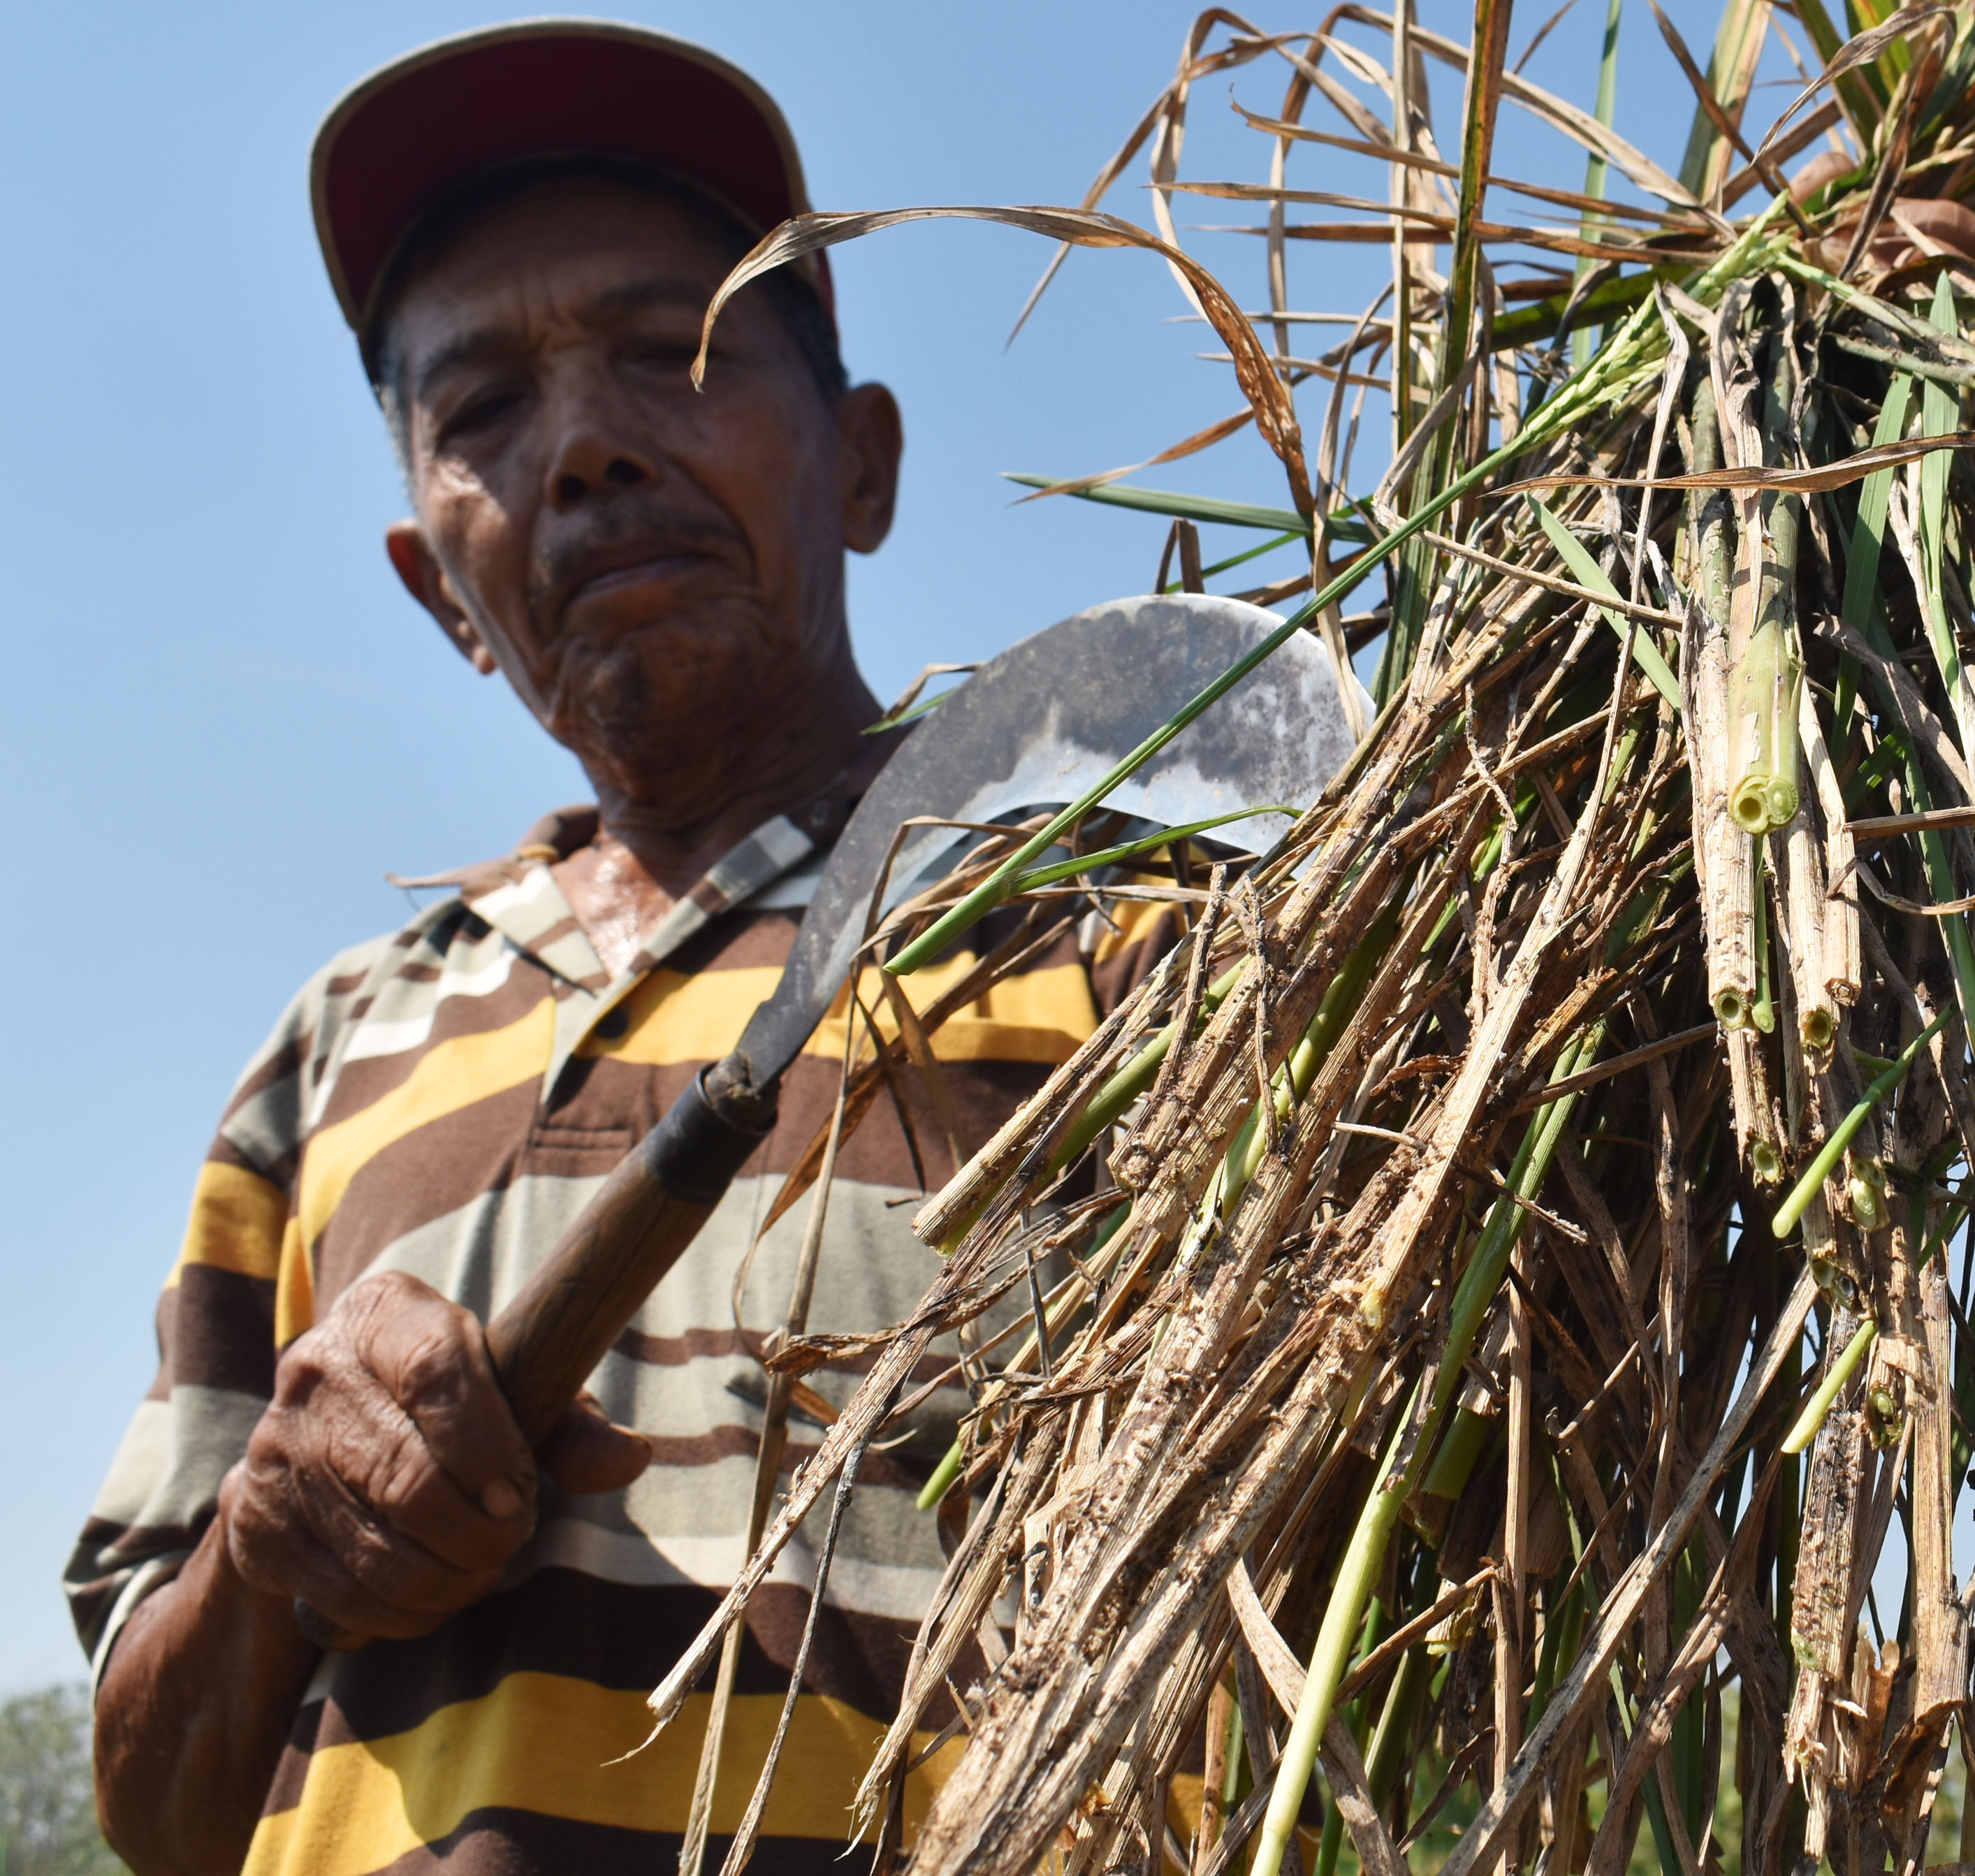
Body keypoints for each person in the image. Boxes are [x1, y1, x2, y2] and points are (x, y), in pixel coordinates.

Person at [64, 23, 1178, 1873]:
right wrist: (267, 1540)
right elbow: (156, 1807)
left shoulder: (1134, 936)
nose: (582, 447)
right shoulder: (332, 1050)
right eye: (485, 409)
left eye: (674, 352)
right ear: (440, 591)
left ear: (864, 464)